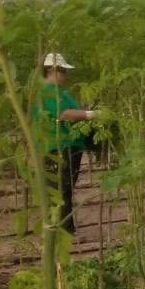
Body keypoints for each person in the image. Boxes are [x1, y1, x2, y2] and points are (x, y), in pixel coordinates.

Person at [33, 52, 95, 235]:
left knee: (65, 189)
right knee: (61, 189)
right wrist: (91, 115)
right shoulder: (46, 93)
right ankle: (63, 231)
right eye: (63, 71)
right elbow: (64, 114)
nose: (66, 76)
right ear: (52, 71)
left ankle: (64, 229)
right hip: (57, 147)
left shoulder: (60, 92)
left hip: (70, 146)